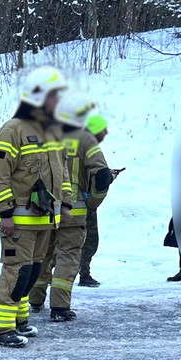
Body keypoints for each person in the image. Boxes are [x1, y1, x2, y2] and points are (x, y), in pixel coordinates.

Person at [0, 66, 71, 347]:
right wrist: (5, 212)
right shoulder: (13, 130)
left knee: (31, 273)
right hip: (19, 221)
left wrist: (65, 202)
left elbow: (62, 171)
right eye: (54, 96)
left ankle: (19, 321)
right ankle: (1, 330)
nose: (58, 102)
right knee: (16, 272)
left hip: (44, 220)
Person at [27, 92, 112, 321]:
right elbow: (102, 175)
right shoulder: (85, 140)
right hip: (74, 212)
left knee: (43, 255)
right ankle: (60, 307)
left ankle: (35, 300)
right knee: (67, 257)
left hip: (46, 208)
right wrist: (92, 202)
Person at [78, 111, 111, 287]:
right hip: (83, 202)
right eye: (103, 129)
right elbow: (101, 174)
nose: (106, 133)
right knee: (89, 241)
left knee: (61, 242)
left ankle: (49, 274)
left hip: (63, 201)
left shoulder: (69, 143)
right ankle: (84, 274)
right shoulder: (89, 146)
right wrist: (93, 202)